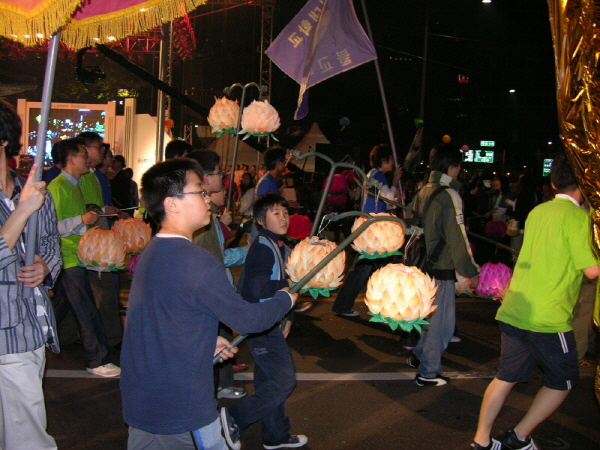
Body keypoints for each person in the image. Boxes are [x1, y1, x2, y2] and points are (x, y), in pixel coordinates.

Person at [120, 159, 297, 450]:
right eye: (199, 191)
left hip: (142, 399)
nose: (207, 200)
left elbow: (161, 320)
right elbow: (248, 320)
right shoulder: (196, 260)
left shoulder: (153, 251)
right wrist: (285, 299)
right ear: (172, 204)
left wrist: (203, 341)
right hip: (181, 407)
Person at [470, 153, 599, 450]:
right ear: (585, 184)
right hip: (548, 316)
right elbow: (592, 271)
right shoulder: (579, 219)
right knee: (564, 380)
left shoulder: (539, 211)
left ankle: (481, 441)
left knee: (505, 377)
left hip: (516, 307)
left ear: (553, 182)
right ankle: (519, 437)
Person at [224, 193, 308, 450]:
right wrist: (290, 286)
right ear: (261, 220)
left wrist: (289, 316)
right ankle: (234, 417)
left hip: (272, 321)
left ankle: (275, 435)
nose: (283, 218)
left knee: (268, 382)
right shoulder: (263, 247)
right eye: (276, 214)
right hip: (263, 324)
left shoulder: (280, 246)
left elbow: (284, 293)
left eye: (285, 213)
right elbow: (255, 289)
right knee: (284, 381)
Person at [0, 100, 62, 450]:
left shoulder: (36, 190)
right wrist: (23, 210)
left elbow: (52, 243)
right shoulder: (29, 198)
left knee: (26, 431)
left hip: (26, 329)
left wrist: (46, 267)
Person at [406, 143, 479, 386]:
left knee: (429, 318)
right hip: (441, 268)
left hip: (422, 264)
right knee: (442, 325)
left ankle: (419, 357)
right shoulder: (449, 195)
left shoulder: (424, 190)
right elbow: (458, 238)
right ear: (453, 166)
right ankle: (428, 373)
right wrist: (471, 271)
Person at [47, 138, 120, 377]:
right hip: (67, 256)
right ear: (70, 159)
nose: (87, 159)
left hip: (76, 255)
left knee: (60, 308)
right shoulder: (58, 187)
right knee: (86, 309)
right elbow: (50, 227)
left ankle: (34, 337)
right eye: (82, 155)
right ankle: (97, 359)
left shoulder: (74, 184)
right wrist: (81, 220)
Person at [330, 144, 402, 317]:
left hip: (370, 227)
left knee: (365, 269)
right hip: (375, 229)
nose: (393, 162)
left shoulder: (371, 175)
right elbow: (390, 200)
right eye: (391, 159)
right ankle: (393, 307)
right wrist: (395, 181)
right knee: (378, 269)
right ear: (384, 160)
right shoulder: (379, 176)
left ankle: (344, 305)